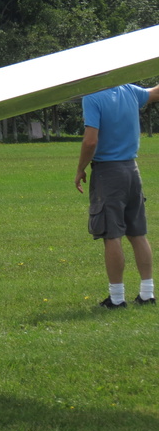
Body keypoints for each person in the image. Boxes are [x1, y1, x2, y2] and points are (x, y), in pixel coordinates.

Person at [75, 83, 159, 308]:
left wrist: (80, 168)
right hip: (133, 170)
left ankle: (116, 298)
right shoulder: (129, 90)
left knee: (111, 235)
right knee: (138, 233)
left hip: (108, 173)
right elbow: (156, 92)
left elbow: (91, 140)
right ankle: (147, 293)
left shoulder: (92, 97)